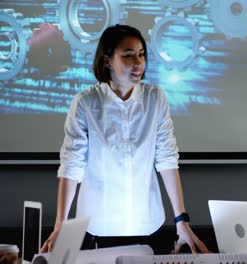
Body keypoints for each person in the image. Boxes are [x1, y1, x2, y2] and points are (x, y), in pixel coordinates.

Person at [40, 24, 209, 254]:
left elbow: (167, 160)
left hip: (149, 225)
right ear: (108, 60)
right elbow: (71, 167)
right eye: (128, 56)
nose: (138, 63)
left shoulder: (155, 98)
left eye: (141, 54)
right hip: (97, 227)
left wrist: (182, 221)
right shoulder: (86, 103)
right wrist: (60, 226)